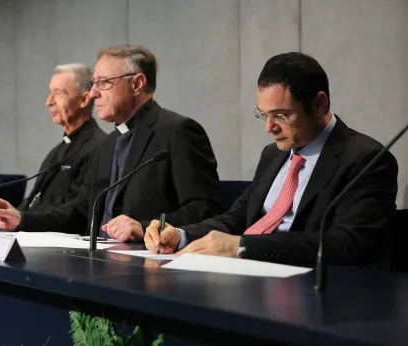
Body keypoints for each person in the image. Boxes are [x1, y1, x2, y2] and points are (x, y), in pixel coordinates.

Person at [145, 52, 398, 267]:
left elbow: (345, 243)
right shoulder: (272, 155)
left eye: (282, 115)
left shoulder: (367, 159)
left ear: (319, 104)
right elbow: (238, 218)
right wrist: (182, 234)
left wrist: (244, 246)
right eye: (263, 114)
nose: (269, 127)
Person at [0, 45, 222, 241]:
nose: (92, 94)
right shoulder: (106, 146)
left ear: (137, 84)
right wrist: (22, 218)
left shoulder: (178, 132)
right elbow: (82, 210)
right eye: (93, 84)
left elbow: (205, 208)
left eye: (103, 83)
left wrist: (145, 227)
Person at [18, 64, 106, 211]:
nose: (49, 102)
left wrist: (24, 219)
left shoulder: (99, 148)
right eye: (50, 92)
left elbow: (75, 210)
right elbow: (36, 200)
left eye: (58, 93)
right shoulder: (57, 151)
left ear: (83, 100)